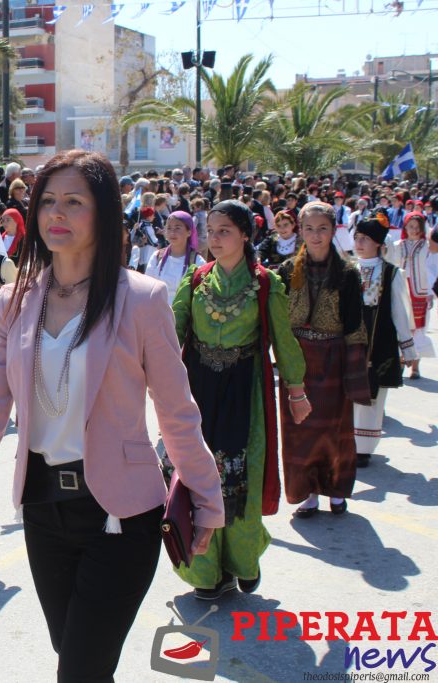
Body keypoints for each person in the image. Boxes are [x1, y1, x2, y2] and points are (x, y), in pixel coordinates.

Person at [0, 151, 224, 682]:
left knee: (80, 670)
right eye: (48, 201)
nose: (57, 213)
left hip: (121, 515)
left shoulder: (142, 299)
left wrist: (207, 497)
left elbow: (177, 412)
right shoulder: (14, 301)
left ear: (103, 213)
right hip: (43, 510)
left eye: (74, 202)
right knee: (76, 656)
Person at [172, 199, 309, 600]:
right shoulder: (195, 280)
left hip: (244, 391)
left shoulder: (266, 284)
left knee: (240, 476)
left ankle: (242, 561)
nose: (214, 239)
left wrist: (297, 391)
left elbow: (284, 340)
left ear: (246, 235)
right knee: (196, 475)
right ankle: (205, 571)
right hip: (199, 391)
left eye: (225, 231)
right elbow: (171, 332)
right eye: (211, 231)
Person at [276, 202, 368, 518]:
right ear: (300, 231)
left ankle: (336, 490)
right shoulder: (287, 270)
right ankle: (308, 493)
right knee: (299, 430)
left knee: (334, 429)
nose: (316, 235)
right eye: (310, 229)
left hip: (333, 359)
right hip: (297, 361)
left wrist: (355, 370)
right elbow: (278, 318)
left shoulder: (347, 273)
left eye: (323, 228)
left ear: (333, 230)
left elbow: (354, 324)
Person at [352, 216, 418, 468]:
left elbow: (400, 313)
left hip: (379, 337)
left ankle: (363, 447)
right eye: (357, 238)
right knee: (349, 388)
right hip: (353, 336)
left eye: (365, 239)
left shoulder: (392, 273)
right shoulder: (348, 270)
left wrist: (407, 348)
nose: (359, 243)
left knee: (373, 391)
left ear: (378, 243)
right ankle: (348, 440)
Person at [385, 211, 435, 378]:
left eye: (417, 227)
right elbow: (390, 264)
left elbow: (432, 269)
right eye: (411, 226)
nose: (414, 230)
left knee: (418, 329)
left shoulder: (427, 247)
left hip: (420, 292)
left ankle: (415, 366)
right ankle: (400, 361)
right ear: (405, 227)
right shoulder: (398, 245)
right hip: (401, 290)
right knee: (400, 326)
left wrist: (430, 292)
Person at [144, 211, 205, 301]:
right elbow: (147, 287)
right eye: (169, 228)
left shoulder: (197, 262)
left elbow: (201, 295)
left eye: (177, 228)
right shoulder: (157, 256)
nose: (172, 232)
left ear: (189, 232)